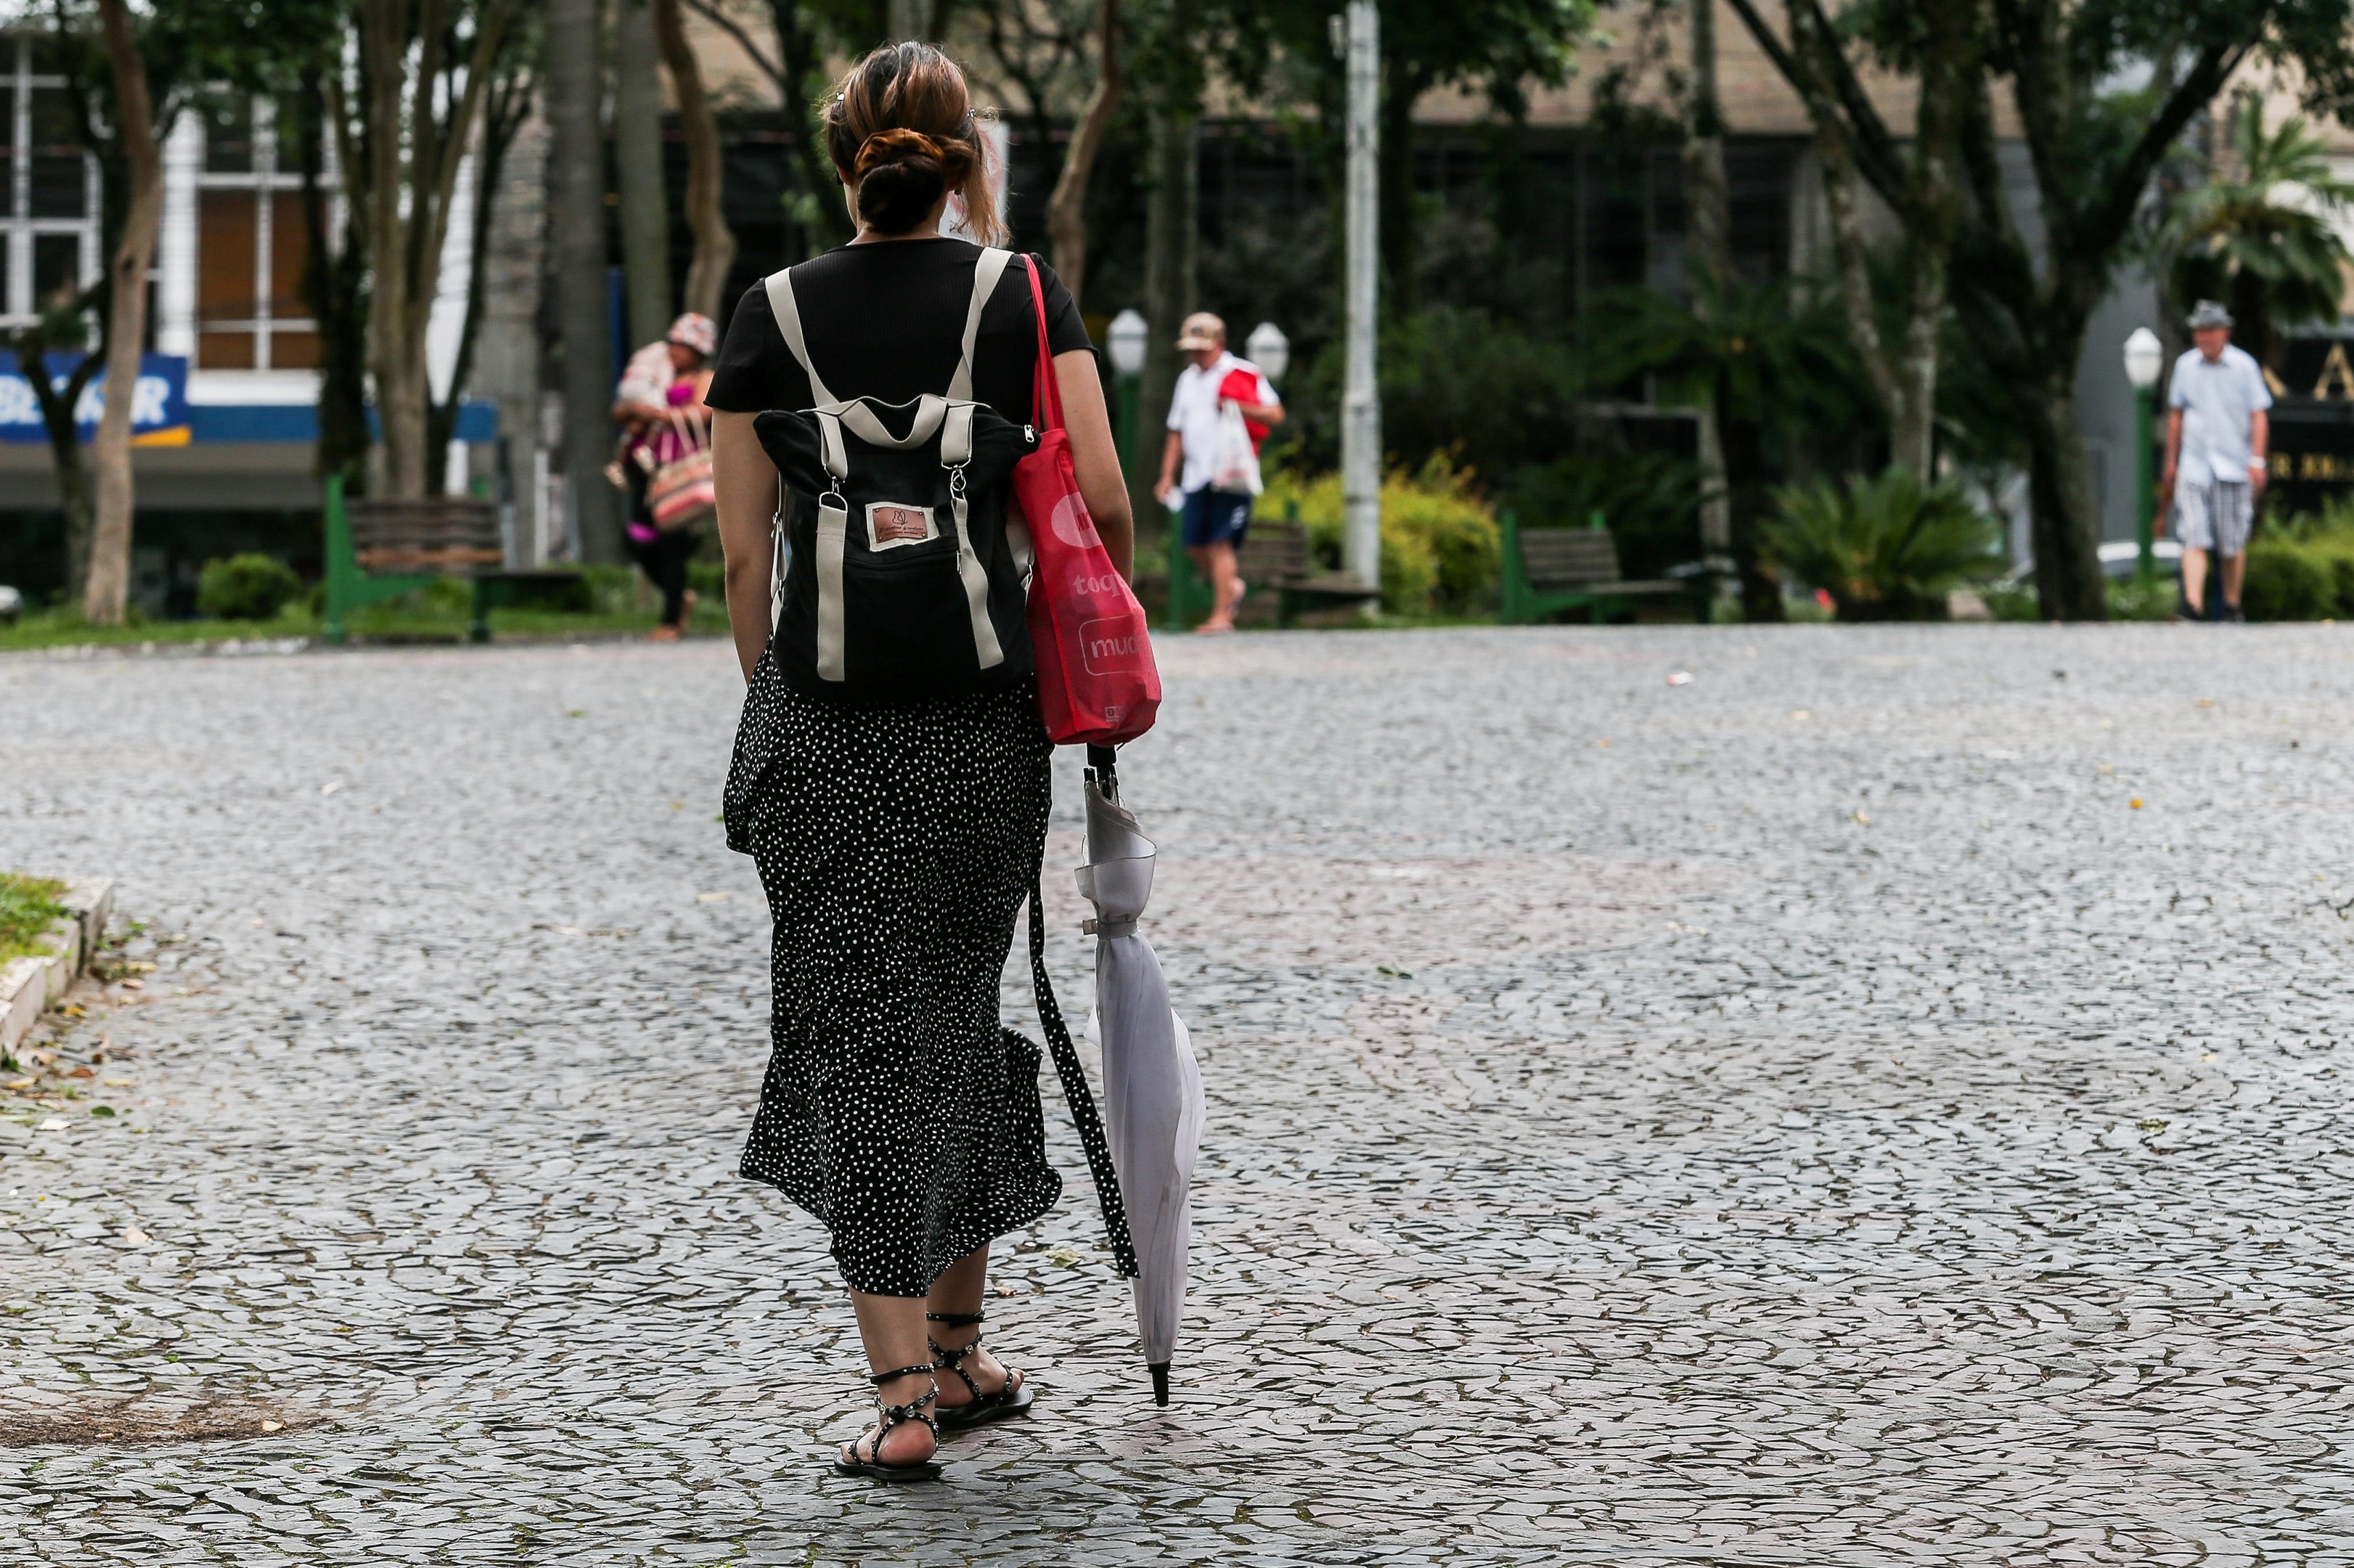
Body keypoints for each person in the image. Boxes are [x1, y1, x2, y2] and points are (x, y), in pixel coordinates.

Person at [703, 41, 1135, 1482]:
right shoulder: (1020, 296)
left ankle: (908, 1391)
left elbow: (742, 555)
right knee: (951, 1012)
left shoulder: (764, 316)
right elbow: (1110, 506)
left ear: (842, 163)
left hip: (823, 733)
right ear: (967, 161)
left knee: (859, 1035)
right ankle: (951, 1363)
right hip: (982, 723)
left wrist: (783, 706)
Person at [1152, 313, 1283, 634]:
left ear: (1220, 345)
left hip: (1231, 474)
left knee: (1220, 543)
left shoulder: (1242, 373)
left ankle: (1222, 616)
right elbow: (1176, 431)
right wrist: (1168, 474)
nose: (1196, 355)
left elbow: (1275, 414)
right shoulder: (1187, 380)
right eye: (1192, 349)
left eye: (1202, 348)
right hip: (1197, 475)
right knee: (1194, 544)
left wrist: (1237, 405)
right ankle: (1232, 588)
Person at [2162, 299, 2272, 623]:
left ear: (2225, 332)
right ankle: (2193, 606)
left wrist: (2257, 459)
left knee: (2231, 543)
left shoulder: (2244, 367)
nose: (2203, 337)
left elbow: (2259, 415)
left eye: (2209, 331)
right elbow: (2176, 416)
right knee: (2194, 536)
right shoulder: (2185, 366)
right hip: (2194, 465)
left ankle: (2231, 603)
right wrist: (2172, 461)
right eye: (2199, 331)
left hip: (2233, 466)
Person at [613, 312, 718, 640]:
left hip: (680, 470)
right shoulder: (657, 374)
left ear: (698, 351)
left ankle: (671, 621)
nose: (674, 350)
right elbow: (621, 409)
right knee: (639, 538)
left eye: (683, 345)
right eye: (672, 343)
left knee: (671, 544)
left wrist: (657, 415)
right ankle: (679, 599)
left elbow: (704, 412)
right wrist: (634, 411)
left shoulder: (704, 378)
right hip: (649, 468)